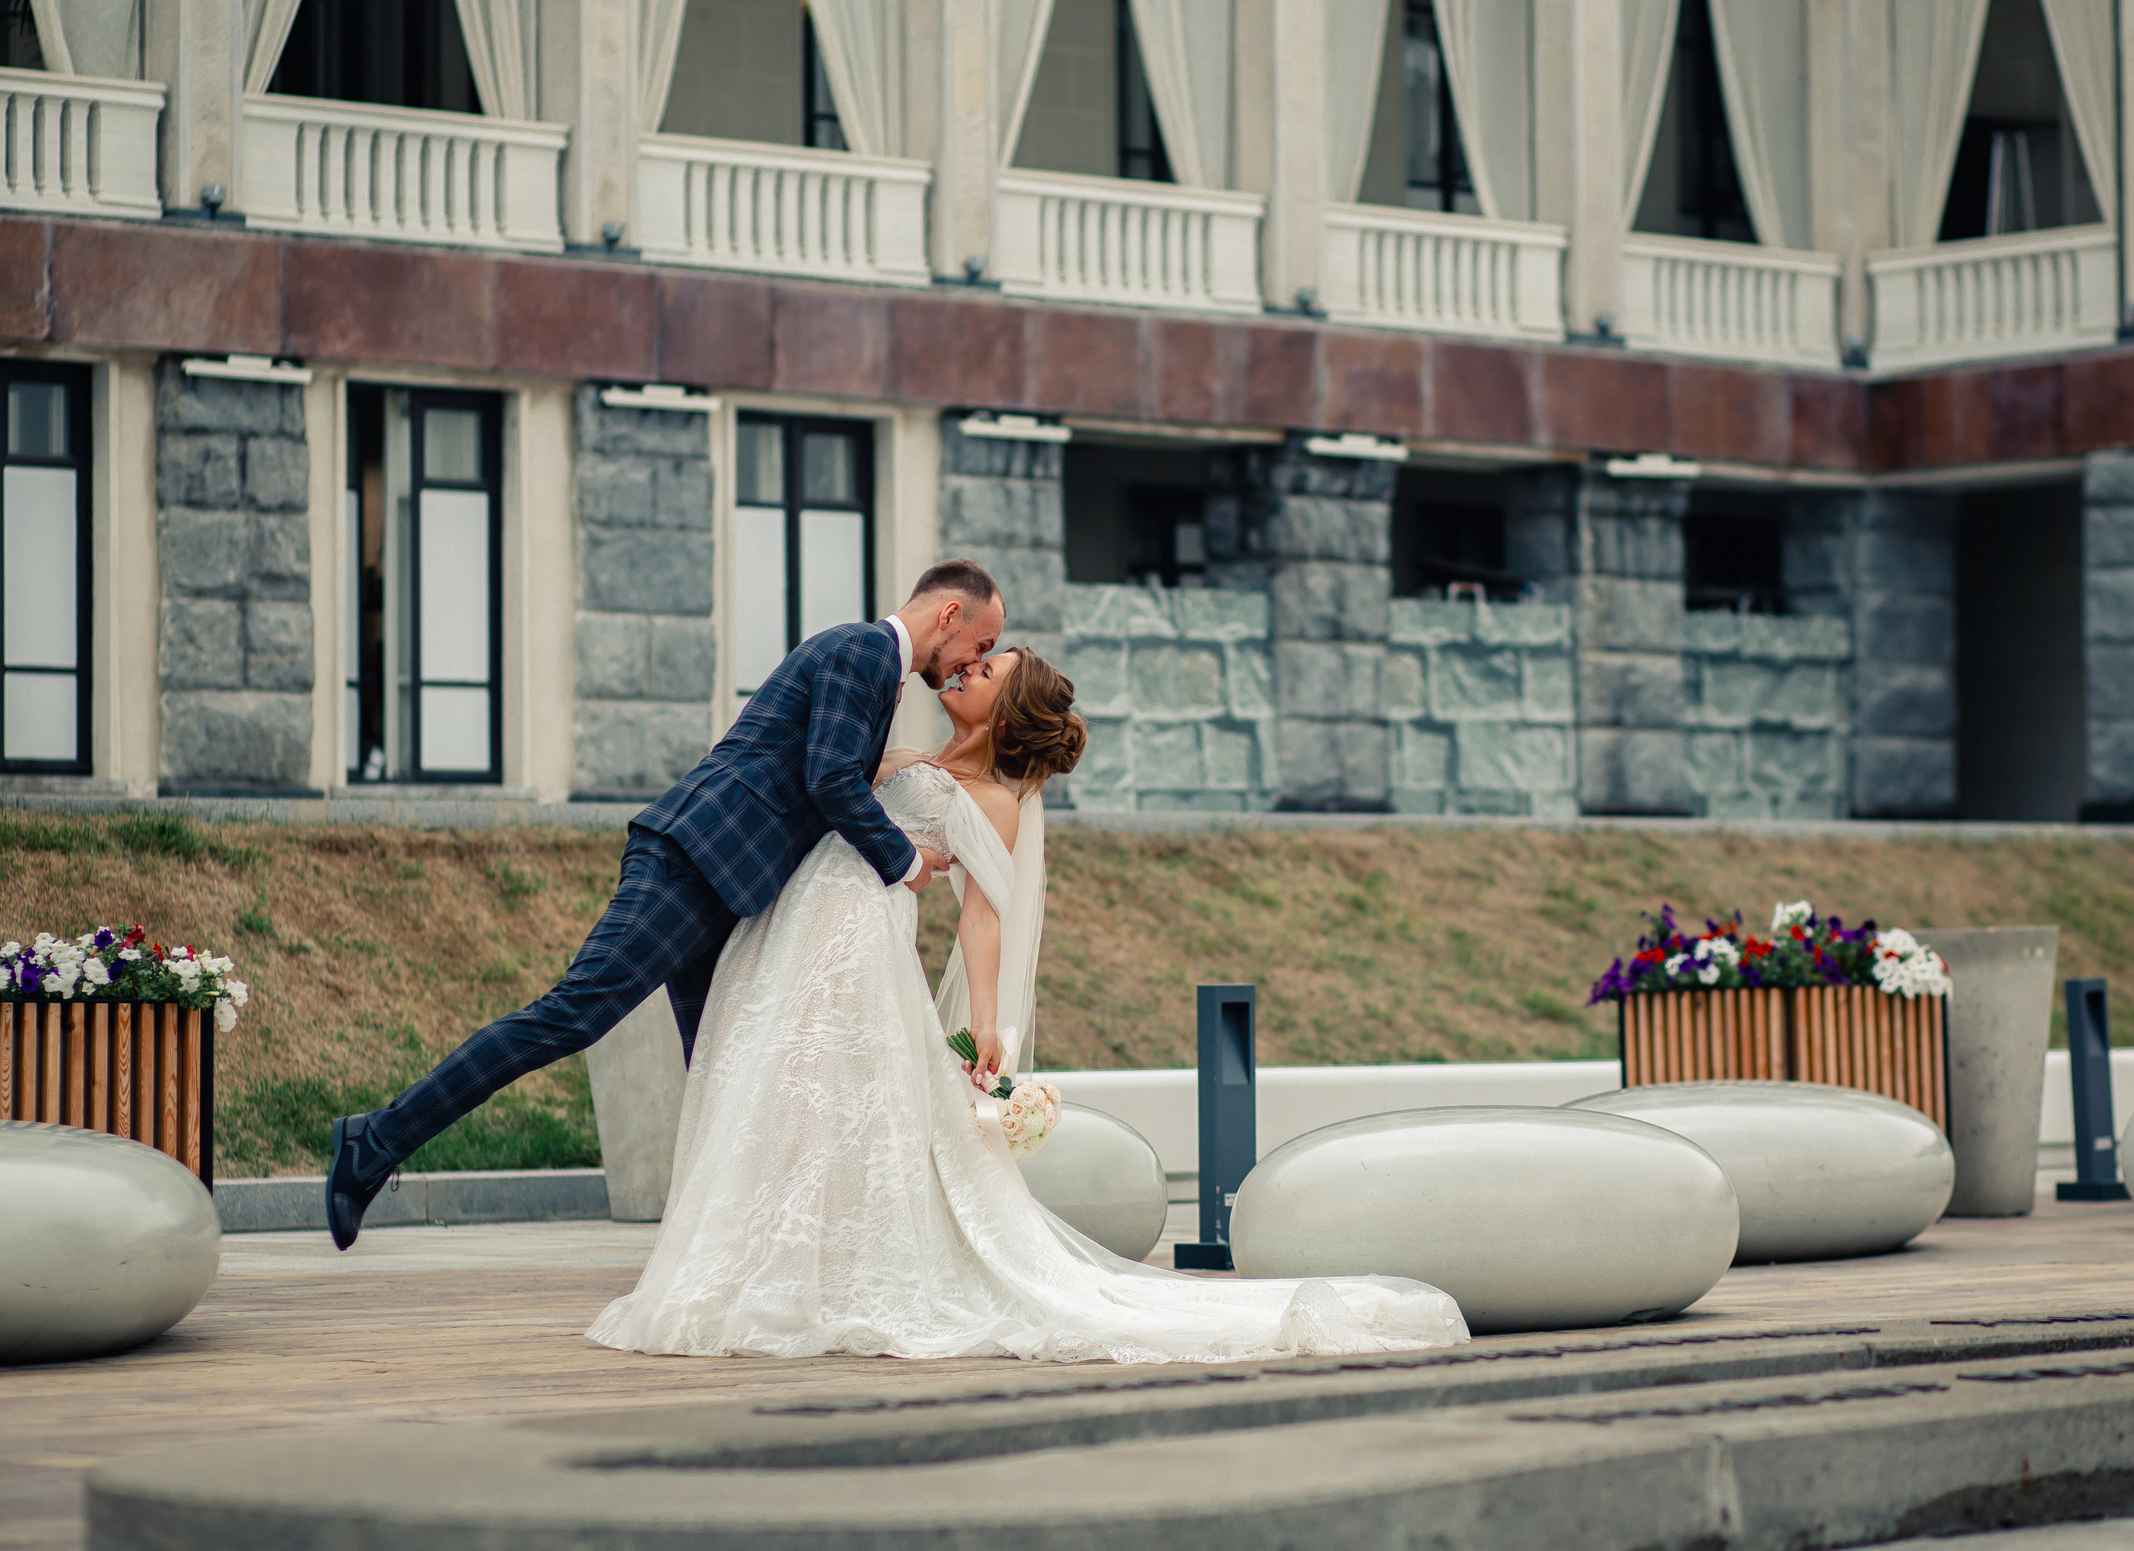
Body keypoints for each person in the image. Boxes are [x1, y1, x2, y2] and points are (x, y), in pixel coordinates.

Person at [585, 645, 1467, 1362]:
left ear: (1005, 713)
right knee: (788, 1100)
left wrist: (991, 1026)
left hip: (859, 946)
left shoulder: (995, 797)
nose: (965, 672)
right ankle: (770, 1271)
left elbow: (981, 914)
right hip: (800, 927)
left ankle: (807, 1283)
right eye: (972, 662)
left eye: (987, 673)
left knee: (827, 1105)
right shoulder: (906, 756)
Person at [322, 560, 1009, 1250]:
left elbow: (816, 774)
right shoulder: (862, 650)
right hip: (691, 862)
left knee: (729, 1067)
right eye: (979, 645)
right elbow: (828, 778)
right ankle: (374, 1141)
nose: (971, 662)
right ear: (949, 615)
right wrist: (907, 860)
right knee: (571, 1015)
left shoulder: (871, 671)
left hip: (725, 883)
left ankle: (735, 1254)